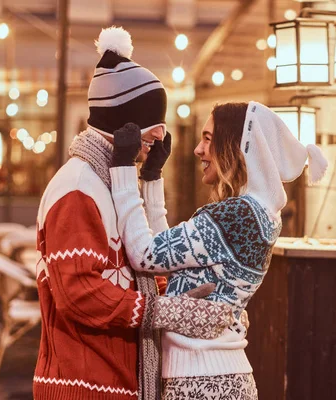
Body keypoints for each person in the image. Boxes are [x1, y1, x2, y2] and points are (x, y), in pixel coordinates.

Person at [33, 27, 233, 400]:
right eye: (154, 128)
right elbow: (80, 293)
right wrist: (168, 311)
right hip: (86, 384)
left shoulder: (106, 183)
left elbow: (142, 262)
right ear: (125, 124)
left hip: (111, 379)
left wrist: (148, 180)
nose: (159, 138)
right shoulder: (78, 188)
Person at [109, 102, 329, 399]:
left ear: (236, 146)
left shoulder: (236, 216)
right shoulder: (256, 213)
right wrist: (151, 179)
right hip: (215, 377)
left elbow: (144, 254)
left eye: (208, 139)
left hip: (203, 382)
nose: (199, 149)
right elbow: (167, 258)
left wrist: (123, 170)